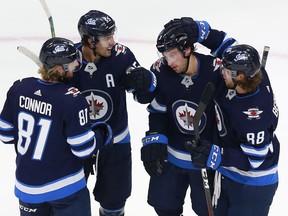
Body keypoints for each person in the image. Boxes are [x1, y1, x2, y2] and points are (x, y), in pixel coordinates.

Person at [0, 37, 113, 216]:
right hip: (65, 188)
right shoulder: (72, 99)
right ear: (60, 67)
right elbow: (83, 149)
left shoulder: (19, 88)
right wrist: (103, 133)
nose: (77, 63)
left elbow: (5, 134)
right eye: (72, 60)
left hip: (27, 188)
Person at [140, 17, 237, 216]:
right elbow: (158, 110)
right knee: (164, 206)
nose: (169, 62)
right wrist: (155, 137)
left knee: (207, 210)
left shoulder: (216, 71)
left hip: (205, 159)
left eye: (174, 55)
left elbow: (240, 59)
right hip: (172, 156)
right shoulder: (161, 70)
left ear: (188, 49)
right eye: (165, 55)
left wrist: (205, 32)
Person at [67, 10, 156, 216]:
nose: (112, 42)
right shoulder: (69, 58)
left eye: (112, 35)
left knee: (114, 199)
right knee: (69, 197)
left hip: (115, 137)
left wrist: (146, 84)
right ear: (90, 40)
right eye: (106, 37)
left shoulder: (121, 56)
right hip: (77, 138)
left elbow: (142, 97)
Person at [187, 44, 279, 216]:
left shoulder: (253, 117)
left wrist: (216, 155)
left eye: (227, 71)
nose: (222, 73)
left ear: (241, 76)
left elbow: (256, 159)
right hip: (230, 174)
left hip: (252, 186)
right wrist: (202, 31)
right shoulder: (259, 75)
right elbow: (229, 46)